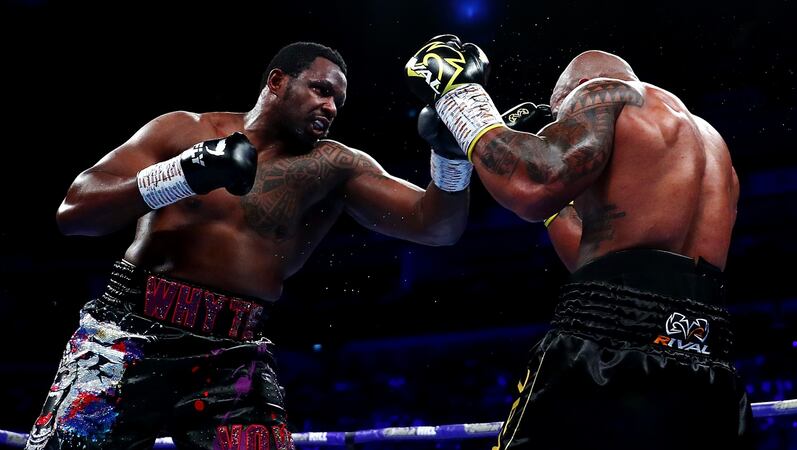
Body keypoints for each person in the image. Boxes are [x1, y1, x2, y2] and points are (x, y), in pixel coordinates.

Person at [26, 41, 478, 450]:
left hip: (232, 353)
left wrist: (451, 155)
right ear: (277, 82)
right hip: (129, 330)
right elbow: (75, 211)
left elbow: (436, 227)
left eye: (338, 100)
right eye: (321, 89)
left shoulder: (335, 167)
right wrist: (183, 175)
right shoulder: (184, 132)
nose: (331, 106)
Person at [406, 35, 752, 448]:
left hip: (603, 351)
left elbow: (531, 184)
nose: (559, 126)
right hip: (706, 357)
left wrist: (460, 98)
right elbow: (603, 259)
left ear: (569, 92)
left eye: (558, 118)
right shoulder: (710, 143)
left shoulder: (601, 93)